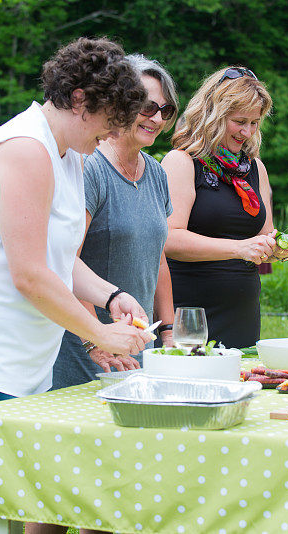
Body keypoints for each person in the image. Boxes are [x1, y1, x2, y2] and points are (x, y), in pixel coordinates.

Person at [0, 37, 155, 534]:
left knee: (1, 504)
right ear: (80, 99)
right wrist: (100, 334)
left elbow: (58, 258)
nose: (113, 131)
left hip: (18, 355)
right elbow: (29, 274)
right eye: (111, 116)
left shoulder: (69, 154)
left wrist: (108, 297)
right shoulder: (25, 150)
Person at [51, 53, 179, 389]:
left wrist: (167, 330)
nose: (157, 118)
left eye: (165, 111)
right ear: (121, 105)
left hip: (138, 342)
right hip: (88, 347)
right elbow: (66, 260)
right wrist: (95, 340)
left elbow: (158, 257)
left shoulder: (157, 173)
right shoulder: (89, 168)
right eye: (147, 107)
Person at [161, 66, 288, 348]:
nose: (247, 131)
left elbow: (264, 238)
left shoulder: (255, 168)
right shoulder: (181, 162)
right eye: (239, 121)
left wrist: (279, 248)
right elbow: (169, 239)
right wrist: (239, 248)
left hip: (243, 316)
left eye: (255, 123)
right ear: (214, 115)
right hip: (191, 315)